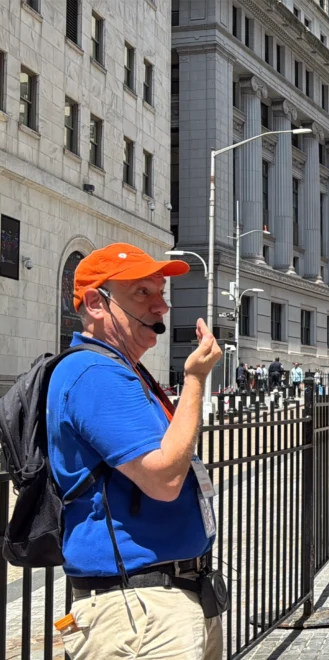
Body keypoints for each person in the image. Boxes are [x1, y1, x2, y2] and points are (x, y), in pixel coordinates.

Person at [47, 243, 224, 658]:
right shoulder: (94, 373)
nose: (160, 306)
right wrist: (195, 379)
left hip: (161, 599)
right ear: (95, 303)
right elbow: (163, 478)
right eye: (142, 293)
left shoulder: (124, 369)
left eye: (161, 293)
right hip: (138, 610)